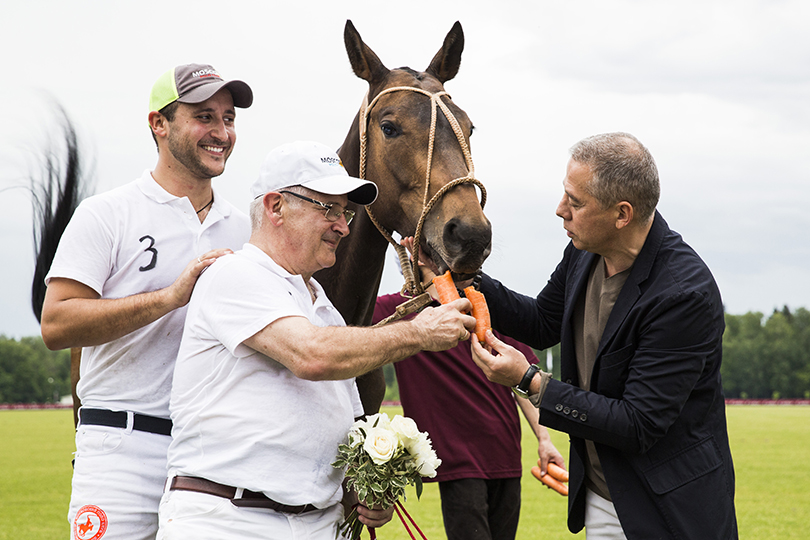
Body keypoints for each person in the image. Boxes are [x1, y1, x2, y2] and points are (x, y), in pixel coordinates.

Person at [157, 141, 478, 540]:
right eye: (328, 209)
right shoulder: (236, 274)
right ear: (275, 207)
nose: (344, 226)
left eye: (345, 212)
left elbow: (333, 424)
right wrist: (419, 332)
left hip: (316, 524)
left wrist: (366, 487)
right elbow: (311, 355)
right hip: (230, 520)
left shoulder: (321, 306)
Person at [468, 132, 738, 539]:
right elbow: (543, 321)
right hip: (599, 496)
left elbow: (637, 423)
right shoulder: (584, 251)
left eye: (575, 202)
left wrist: (529, 381)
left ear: (622, 214)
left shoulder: (684, 294)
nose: (560, 211)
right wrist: (465, 276)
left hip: (670, 509)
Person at [40, 63, 254, 540]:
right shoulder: (108, 213)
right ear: (159, 123)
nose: (222, 132)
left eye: (229, 118)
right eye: (204, 117)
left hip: (212, 458)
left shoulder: (246, 230)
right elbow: (56, 324)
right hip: (121, 447)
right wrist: (170, 297)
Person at [373, 288, 565, 540]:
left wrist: (544, 439)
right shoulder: (400, 310)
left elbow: (521, 380)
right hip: (458, 458)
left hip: (505, 451)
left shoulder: (486, 303)